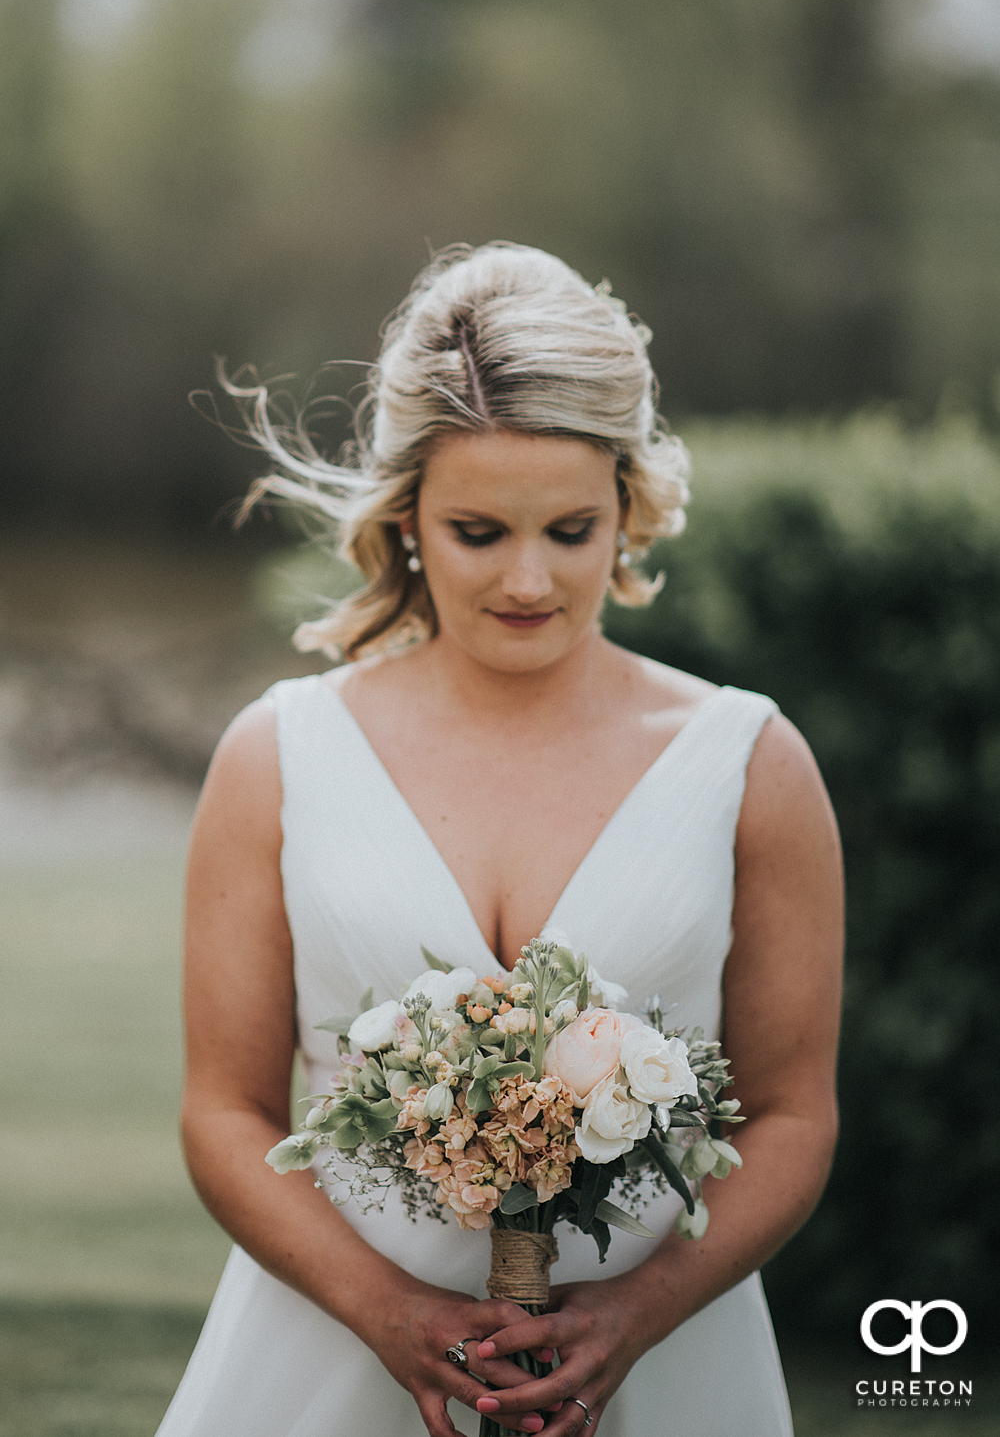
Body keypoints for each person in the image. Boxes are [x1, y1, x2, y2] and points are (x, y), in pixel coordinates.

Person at [156, 243, 843, 1437]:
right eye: (479, 531)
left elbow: (791, 1113)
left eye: (570, 530)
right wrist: (384, 1310)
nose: (529, 580)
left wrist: (637, 1309)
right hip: (324, 1353)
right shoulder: (278, 756)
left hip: (665, 1367)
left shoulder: (752, 763)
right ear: (407, 514)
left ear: (627, 507)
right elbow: (224, 1111)